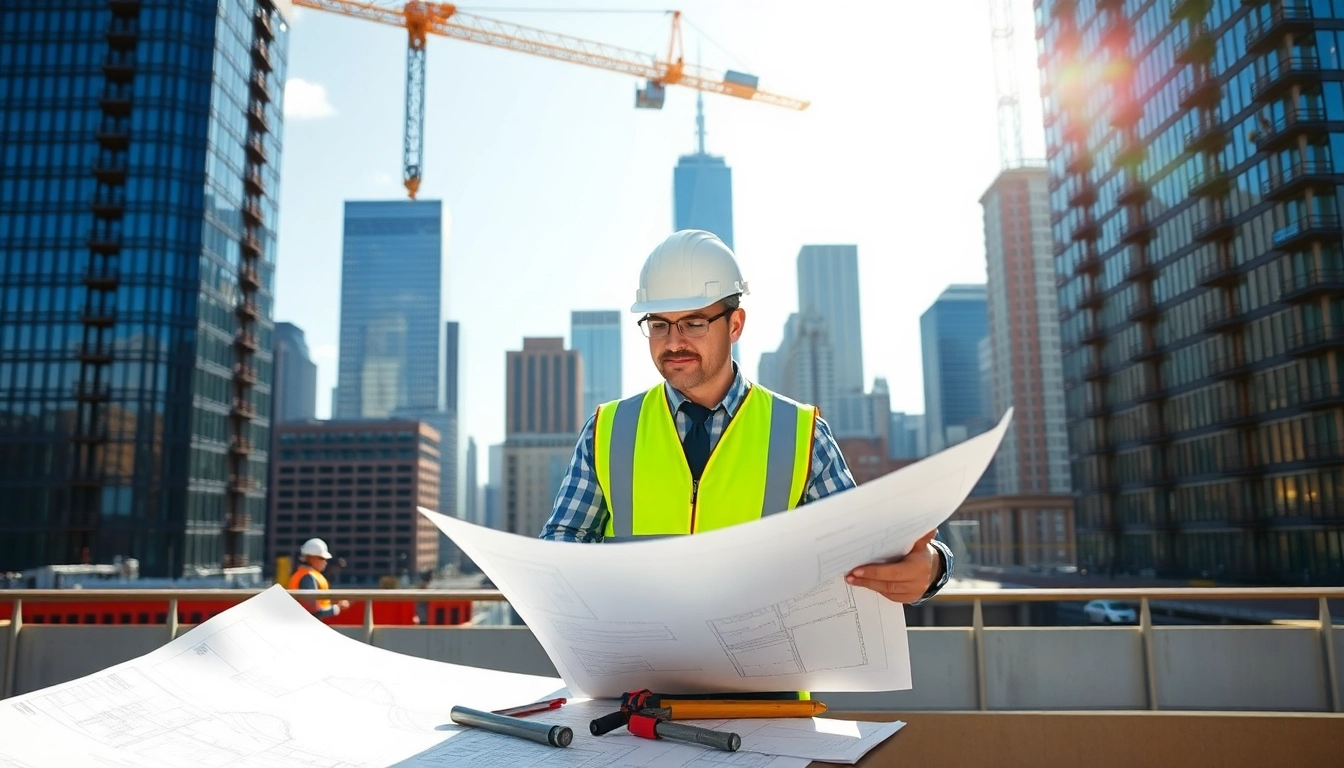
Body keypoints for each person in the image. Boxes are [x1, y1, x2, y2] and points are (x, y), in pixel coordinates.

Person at [540, 229, 951, 606]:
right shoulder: (607, 430)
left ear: (734, 324)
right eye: (659, 324)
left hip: (766, 682)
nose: (674, 341)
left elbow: (863, 552)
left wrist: (932, 566)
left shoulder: (802, 434)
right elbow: (562, 542)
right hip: (638, 679)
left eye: (694, 323)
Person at [287, 538, 350, 621]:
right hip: (305, 626)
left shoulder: (305, 574)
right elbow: (313, 612)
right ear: (311, 558)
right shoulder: (308, 577)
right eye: (322, 558)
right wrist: (337, 608)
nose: (325, 562)